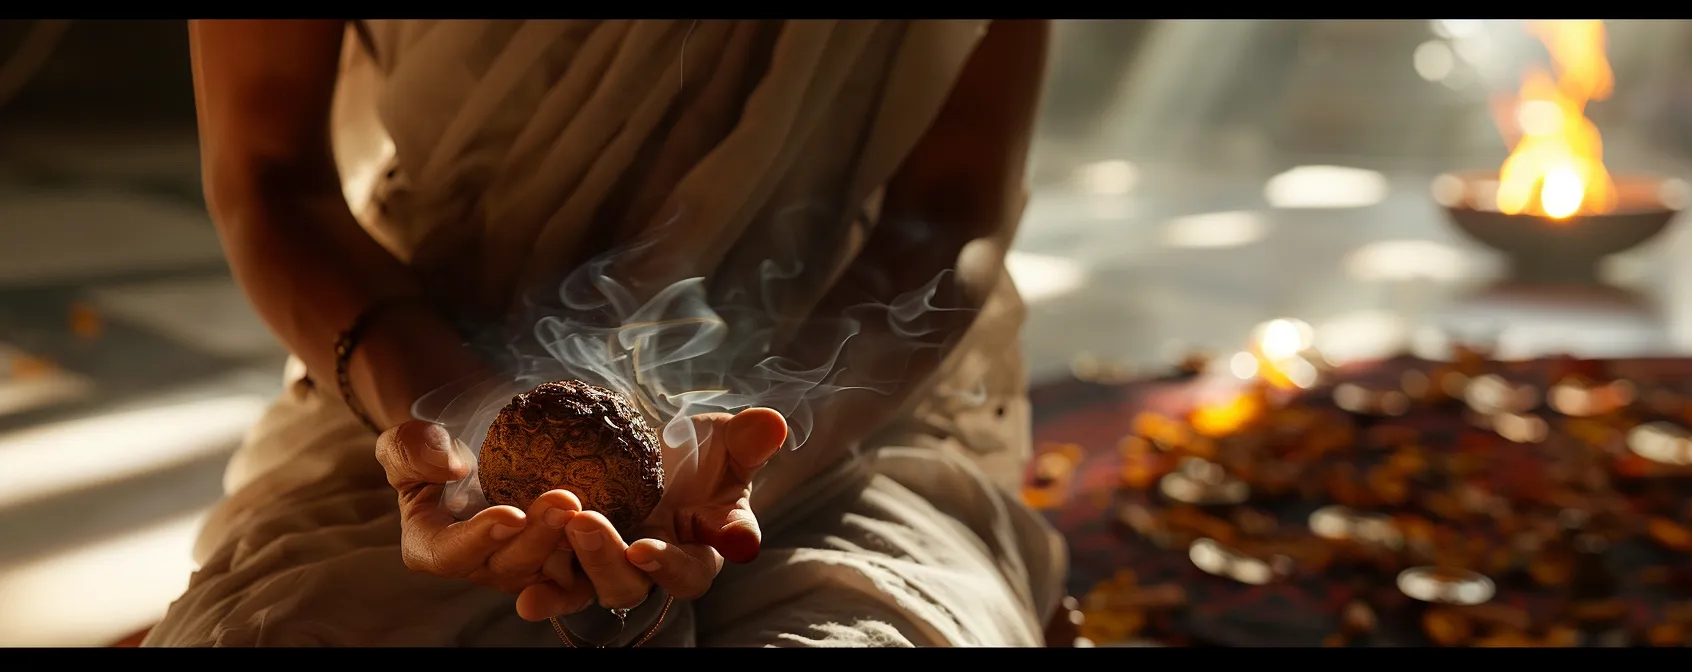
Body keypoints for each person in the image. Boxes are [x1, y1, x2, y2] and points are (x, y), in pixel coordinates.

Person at [145, 19, 1066, 647]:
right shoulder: (447, 421)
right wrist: (463, 418)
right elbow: (269, 176)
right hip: (411, 377)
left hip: (846, 399)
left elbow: (951, 216)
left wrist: (765, 443)